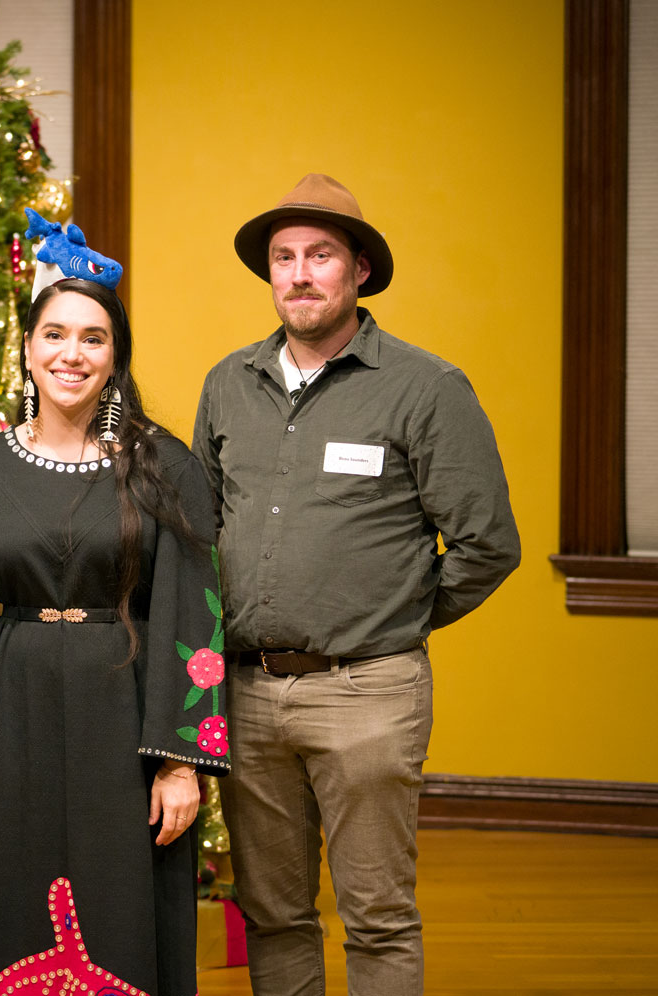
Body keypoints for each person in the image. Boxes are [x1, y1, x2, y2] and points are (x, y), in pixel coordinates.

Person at [193, 173, 521, 996]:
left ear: (360, 271)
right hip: (248, 691)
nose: (300, 274)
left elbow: (488, 544)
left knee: (377, 916)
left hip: (369, 691)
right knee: (272, 912)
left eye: (321, 256)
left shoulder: (426, 389)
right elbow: (198, 528)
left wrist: (393, 614)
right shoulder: (228, 383)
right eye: (284, 258)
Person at [0, 221, 230, 996]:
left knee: (123, 911)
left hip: (123, 718)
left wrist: (180, 761)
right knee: (14, 911)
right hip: (14, 714)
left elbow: (193, 622)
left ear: (115, 356)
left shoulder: (166, 468)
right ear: (26, 349)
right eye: (54, 334)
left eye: (93, 338)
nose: (72, 353)